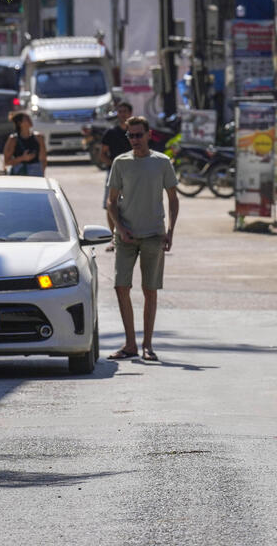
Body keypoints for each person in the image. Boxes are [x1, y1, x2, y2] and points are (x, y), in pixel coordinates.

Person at [105, 116, 179, 362]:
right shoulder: (120, 163)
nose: (135, 140)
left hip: (153, 235)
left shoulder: (162, 162)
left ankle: (147, 345)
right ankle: (130, 344)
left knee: (150, 290)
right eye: (131, 136)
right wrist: (120, 228)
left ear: (148, 135)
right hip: (126, 236)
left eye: (138, 135)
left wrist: (171, 231)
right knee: (121, 286)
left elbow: (173, 198)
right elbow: (111, 202)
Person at [101, 102, 134, 252]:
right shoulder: (110, 133)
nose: (122, 114)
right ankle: (114, 239)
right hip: (114, 174)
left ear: (130, 113)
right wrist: (113, 166)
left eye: (125, 111)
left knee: (133, 205)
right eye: (120, 112)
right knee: (111, 204)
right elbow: (102, 154)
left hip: (134, 173)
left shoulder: (136, 133)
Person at [2, 111, 47, 176]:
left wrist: (41, 172)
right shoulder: (13, 139)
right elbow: (7, 162)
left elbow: (43, 158)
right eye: (26, 119)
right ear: (20, 123)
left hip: (36, 172)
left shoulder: (38, 137)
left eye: (29, 118)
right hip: (19, 174)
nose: (30, 120)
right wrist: (22, 158)